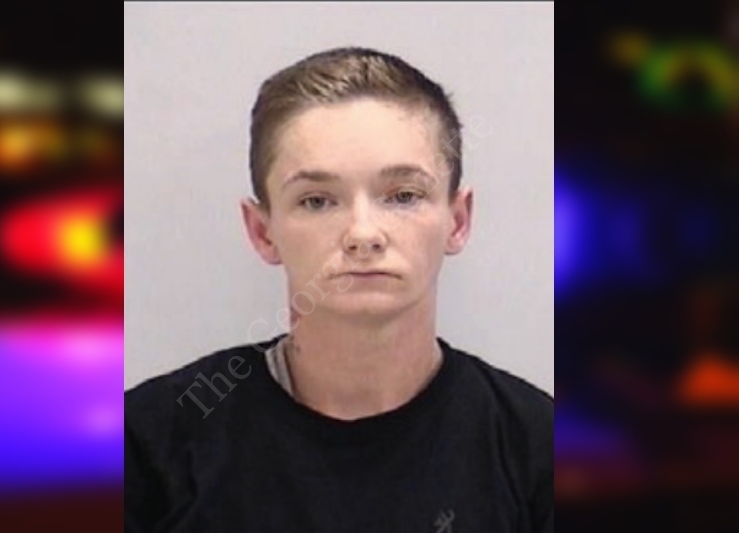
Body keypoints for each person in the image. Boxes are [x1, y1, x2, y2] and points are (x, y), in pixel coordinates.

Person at [125, 47, 553, 532]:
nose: (363, 234)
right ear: (263, 231)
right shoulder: (147, 445)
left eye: (404, 195)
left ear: (457, 221)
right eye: (317, 201)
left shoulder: (539, 451)